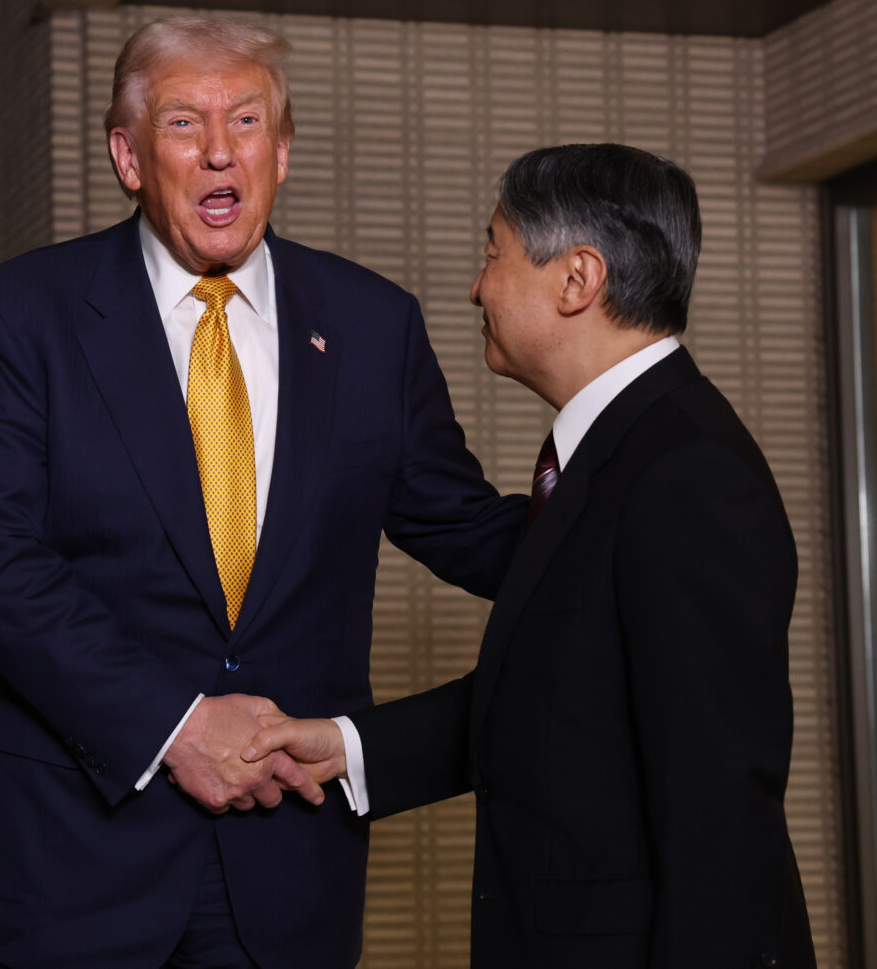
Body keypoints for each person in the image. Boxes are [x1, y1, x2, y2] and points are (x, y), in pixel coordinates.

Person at [0, 17, 526, 969]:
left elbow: (460, 524)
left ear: (280, 153)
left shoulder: (373, 324)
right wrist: (178, 725)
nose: (218, 150)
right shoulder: (18, 315)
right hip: (66, 863)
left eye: (246, 120)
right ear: (128, 156)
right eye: (182, 123)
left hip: (285, 870)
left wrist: (620, 478)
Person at [246, 144, 818, 968]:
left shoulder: (686, 474)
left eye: (492, 252)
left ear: (577, 280)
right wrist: (350, 748)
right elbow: (565, 698)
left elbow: (719, 816)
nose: (476, 285)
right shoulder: (615, 451)